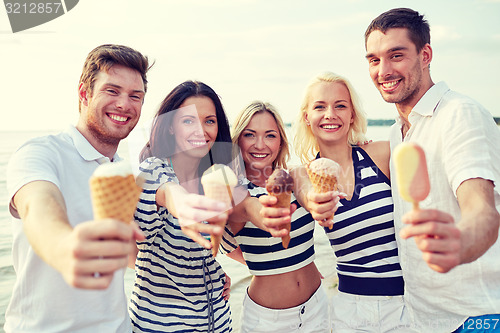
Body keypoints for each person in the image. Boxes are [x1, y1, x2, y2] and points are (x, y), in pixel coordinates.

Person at [364, 7, 500, 332]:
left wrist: (461, 241)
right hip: (423, 319)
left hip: (474, 318)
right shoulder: (397, 133)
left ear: (425, 54)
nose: (383, 70)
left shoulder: (460, 114)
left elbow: (482, 208)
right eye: (373, 59)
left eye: (396, 55)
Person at [5, 44, 150, 332]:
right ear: (84, 93)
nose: (124, 104)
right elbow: (37, 205)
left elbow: (130, 254)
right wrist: (63, 246)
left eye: (135, 96)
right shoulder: (40, 153)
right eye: (112, 90)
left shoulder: (125, 173)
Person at [130, 81, 237, 333]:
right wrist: (177, 200)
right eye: (188, 121)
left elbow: (227, 241)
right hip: (159, 325)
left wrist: (213, 270)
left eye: (209, 121)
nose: (201, 129)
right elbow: (165, 195)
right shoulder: (152, 170)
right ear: (170, 127)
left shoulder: (215, 178)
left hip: (218, 322)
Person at [221, 101, 330, 332]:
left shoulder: (294, 176)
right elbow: (227, 244)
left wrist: (292, 261)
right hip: (267, 320)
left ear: (280, 141)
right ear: (238, 140)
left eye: (270, 135)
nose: (260, 144)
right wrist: (262, 262)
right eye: (250, 135)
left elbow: (312, 194)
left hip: (317, 306)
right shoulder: (233, 192)